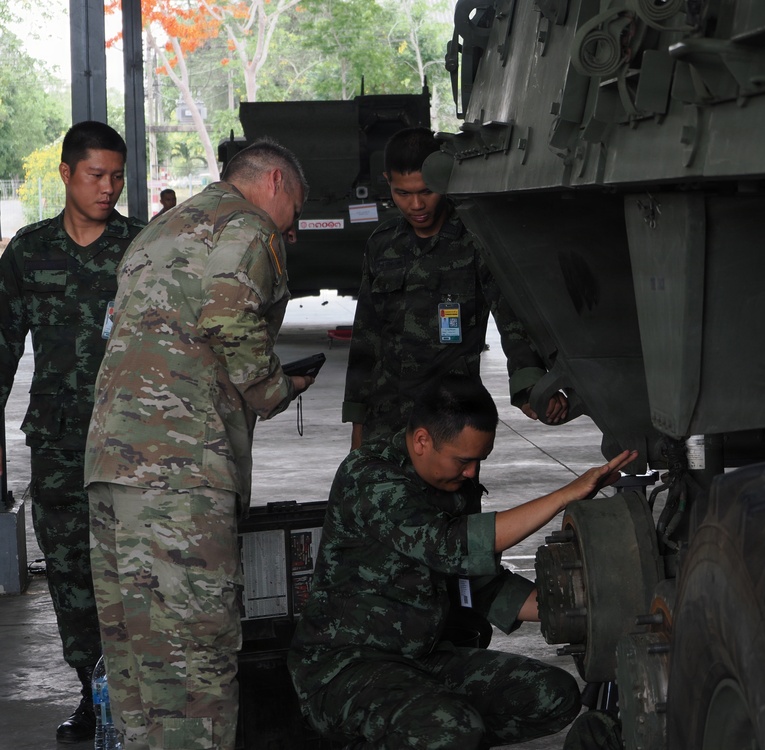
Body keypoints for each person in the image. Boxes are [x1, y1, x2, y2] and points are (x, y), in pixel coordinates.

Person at [85, 138, 312, 750]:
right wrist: (275, 389)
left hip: (111, 466)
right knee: (192, 670)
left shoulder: (157, 232)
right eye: (293, 212)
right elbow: (229, 317)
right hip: (180, 476)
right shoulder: (248, 224)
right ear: (274, 182)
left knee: (138, 663)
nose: (289, 231)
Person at [289, 375, 636, 748]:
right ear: (422, 441)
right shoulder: (370, 477)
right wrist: (565, 495)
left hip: (423, 658)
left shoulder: (455, 487)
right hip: (345, 669)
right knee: (451, 728)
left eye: (479, 461)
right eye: (463, 460)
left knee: (553, 696)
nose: (471, 472)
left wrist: (585, 611)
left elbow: (477, 583)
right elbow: (448, 546)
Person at [0, 120, 145, 744]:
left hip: (133, 441)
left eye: (117, 177)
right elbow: (2, 346)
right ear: (66, 174)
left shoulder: (141, 249)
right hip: (59, 442)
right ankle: (94, 692)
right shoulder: (28, 252)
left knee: (136, 567)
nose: (108, 187)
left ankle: (142, 694)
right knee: (68, 570)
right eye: (95, 175)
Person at [343, 126, 568, 450]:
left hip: (451, 418)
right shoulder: (382, 244)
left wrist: (529, 386)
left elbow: (512, 319)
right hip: (386, 420)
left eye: (426, 191)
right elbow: (366, 337)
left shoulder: (475, 240)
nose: (416, 204)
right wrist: (358, 420)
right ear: (387, 181)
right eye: (402, 193)